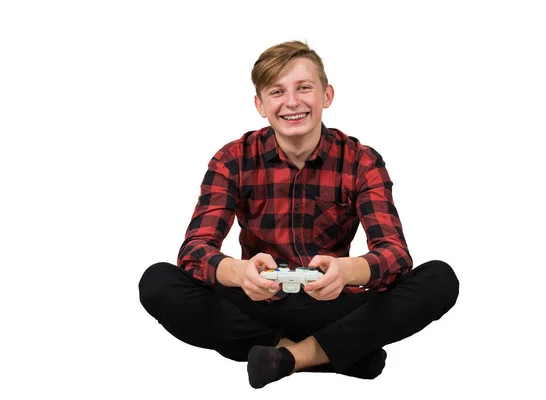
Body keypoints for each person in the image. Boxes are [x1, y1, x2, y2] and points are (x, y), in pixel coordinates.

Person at [138, 40, 459, 389]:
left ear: (327, 95)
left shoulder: (361, 160)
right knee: (157, 282)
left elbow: (395, 256)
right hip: (256, 302)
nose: (292, 102)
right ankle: (323, 353)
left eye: (304, 87)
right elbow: (194, 251)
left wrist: (348, 271)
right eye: (277, 91)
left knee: (439, 279)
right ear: (260, 104)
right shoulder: (233, 159)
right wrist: (240, 272)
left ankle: (285, 357)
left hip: (332, 302)